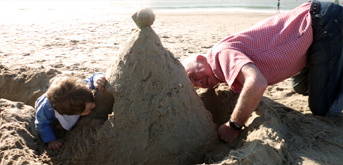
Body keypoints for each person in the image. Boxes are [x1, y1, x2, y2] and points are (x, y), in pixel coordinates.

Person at [182, 1, 343, 143]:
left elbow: (256, 83)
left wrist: (233, 127)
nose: (198, 83)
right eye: (195, 84)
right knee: (300, 87)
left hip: (324, 22)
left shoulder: (220, 55)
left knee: (323, 109)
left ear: (201, 59)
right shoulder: (222, 70)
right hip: (313, 31)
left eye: (194, 76)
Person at [35, 72, 106, 150]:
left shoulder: (82, 91)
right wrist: (51, 140)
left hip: (68, 97)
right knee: (54, 125)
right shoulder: (46, 109)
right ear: (74, 113)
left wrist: (97, 79)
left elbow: (93, 77)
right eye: (87, 109)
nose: (94, 105)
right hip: (51, 112)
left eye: (92, 101)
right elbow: (42, 124)